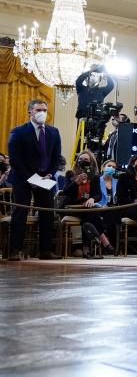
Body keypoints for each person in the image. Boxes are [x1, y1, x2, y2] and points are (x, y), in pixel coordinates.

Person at [6, 100, 62, 260]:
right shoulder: (18, 131)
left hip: (45, 178)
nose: (42, 113)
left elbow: (56, 157)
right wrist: (29, 177)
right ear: (30, 111)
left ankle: (45, 250)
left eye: (45, 110)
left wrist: (50, 173)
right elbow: (15, 159)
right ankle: (15, 250)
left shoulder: (54, 132)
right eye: (38, 110)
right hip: (23, 177)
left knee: (47, 213)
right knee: (20, 212)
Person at [61, 150, 115, 257]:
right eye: (80, 159)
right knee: (90, 213)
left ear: (91, 162)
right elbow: (66, 191)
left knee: (87, 219)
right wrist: (76, 182)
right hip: (71, 206)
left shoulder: (94, 177)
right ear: (77, 161)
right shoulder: (70, 174)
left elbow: (98, 195)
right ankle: (104, 240)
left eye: (86, 159)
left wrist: (92, 199)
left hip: (86, 207)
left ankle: (86, 248)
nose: (83, 161)